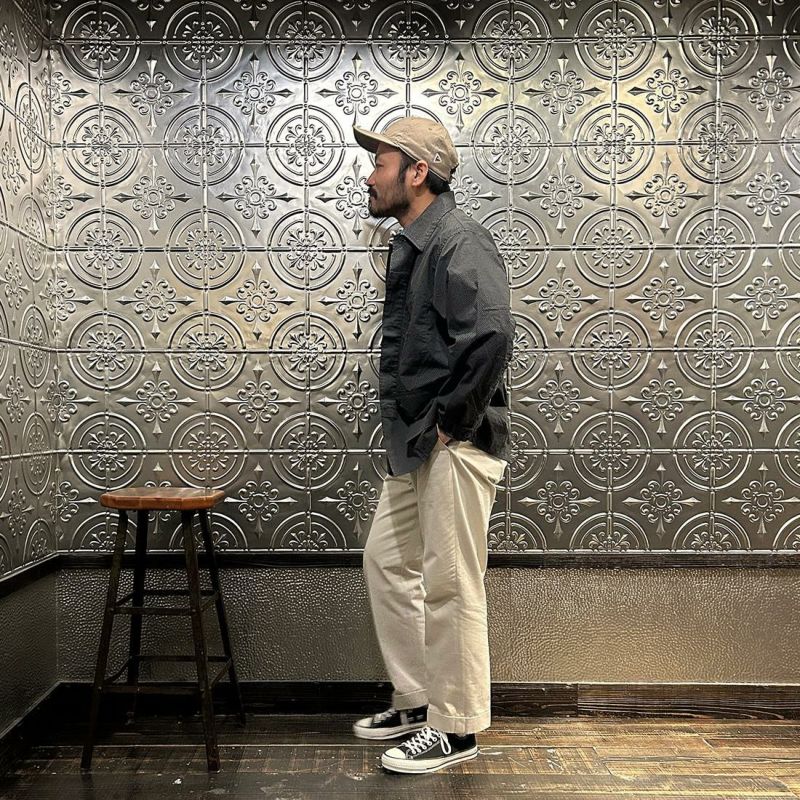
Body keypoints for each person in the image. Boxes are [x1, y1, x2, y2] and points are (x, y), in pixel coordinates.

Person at [350, 117, 515, 774]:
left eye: (381, 163)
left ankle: (456, 729)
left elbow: (492, 335)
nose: (370, 175)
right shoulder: (416, 243)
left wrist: (450, 422)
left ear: (417, 172)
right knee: (388, 563)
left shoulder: (458, 238)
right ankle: (419, 699)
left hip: (453, 442)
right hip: (417, 440)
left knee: (450, 584)